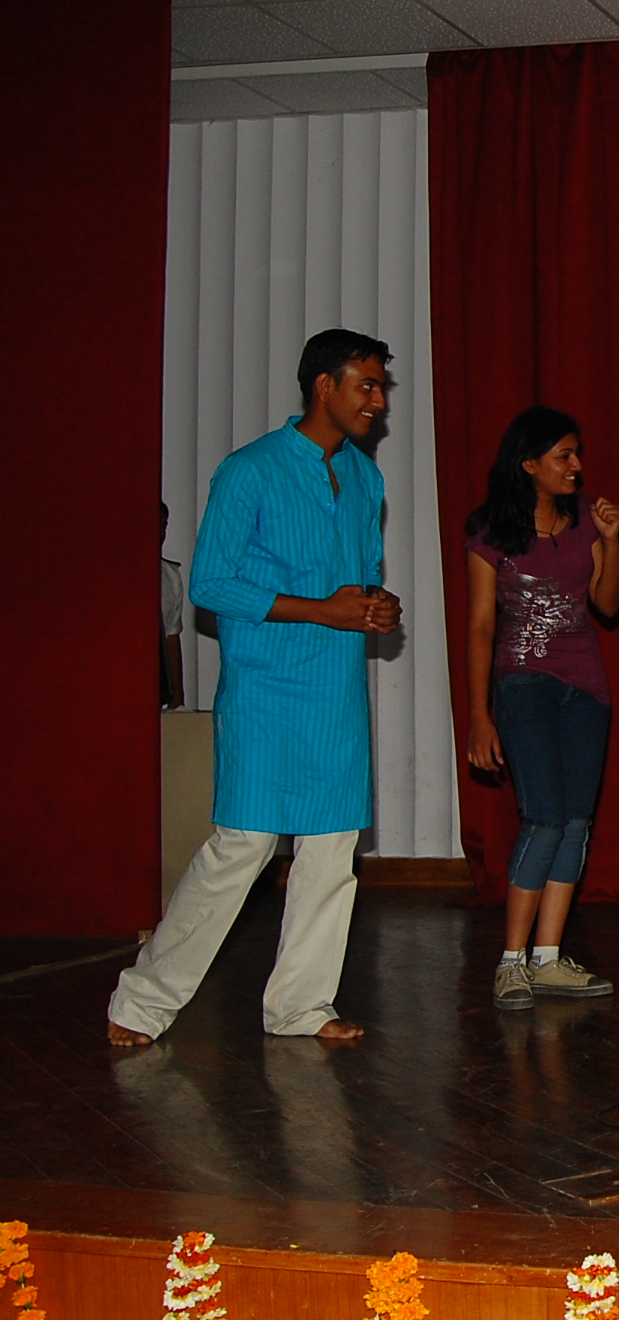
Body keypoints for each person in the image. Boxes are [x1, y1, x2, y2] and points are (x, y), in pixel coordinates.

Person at [109, 329, 401, 1046]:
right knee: (243, 845)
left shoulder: (365, 479)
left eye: (380, 386)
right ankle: (141, 1002)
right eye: (366, 384)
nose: (377, 399)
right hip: (267, 689)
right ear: (324, 386)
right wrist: (322, 610)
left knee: (331, 850)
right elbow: (210, 584)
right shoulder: (250, 471)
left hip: (335, 693)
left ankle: (302, 1007)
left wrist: (376, 605)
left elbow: (359, 579)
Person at [465, 407, 619, 1010]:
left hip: (586, 689)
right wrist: (480, 715)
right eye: (564, 455)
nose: (576, 465)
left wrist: (611, 543)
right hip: (523, 686)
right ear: (529, 463)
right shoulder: (491, 530)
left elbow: (607, 605)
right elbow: (482, 626)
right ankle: (511, 961)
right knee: (545, 818)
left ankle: (548, 958)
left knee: (576, 821)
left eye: (577, 453)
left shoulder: (585, 519)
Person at [160, 500, 185, 709]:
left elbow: (171, 636)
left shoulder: (170, 576)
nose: (160, 534)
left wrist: (177, 695)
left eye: (163, 526)